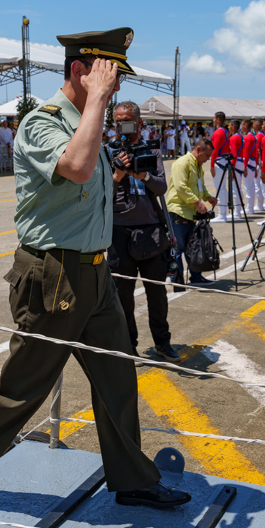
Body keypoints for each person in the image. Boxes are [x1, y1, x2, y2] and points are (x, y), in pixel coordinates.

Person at [0, 28, 190, 512]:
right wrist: (96, 99)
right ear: (81, 71)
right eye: (109, 76)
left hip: (95, 274)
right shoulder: (43, 122)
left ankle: (132, 477)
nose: (115, 87)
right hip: (55, 274)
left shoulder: (89, 123)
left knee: (118, 375)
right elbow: (75, 167)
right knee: (27, 381)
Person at [109, 102, 179, 360]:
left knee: (157, 294)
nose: (121, 127)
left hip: (151, 232)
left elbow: (162, 188)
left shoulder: (151, 149)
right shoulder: (107, 151)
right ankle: (129, 346)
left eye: (126, 121)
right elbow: (101, 194)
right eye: (117, 121)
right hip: (118, 233)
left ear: (138, 123)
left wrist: (143, 176)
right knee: (122, 296)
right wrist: (117, 175)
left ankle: (163, 343)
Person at [166, 138, 217, 287]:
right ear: (198, 150)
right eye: (207, 155)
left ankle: (196, 277)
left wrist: (208, 197)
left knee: (193, 247)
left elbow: (199, 186)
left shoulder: (198, 165)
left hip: (191, 213)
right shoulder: (182, 163)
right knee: (178, 248)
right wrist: (197, 202)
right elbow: (181, 187)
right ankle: (178, 280)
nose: (208, 159)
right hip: (179, 212)